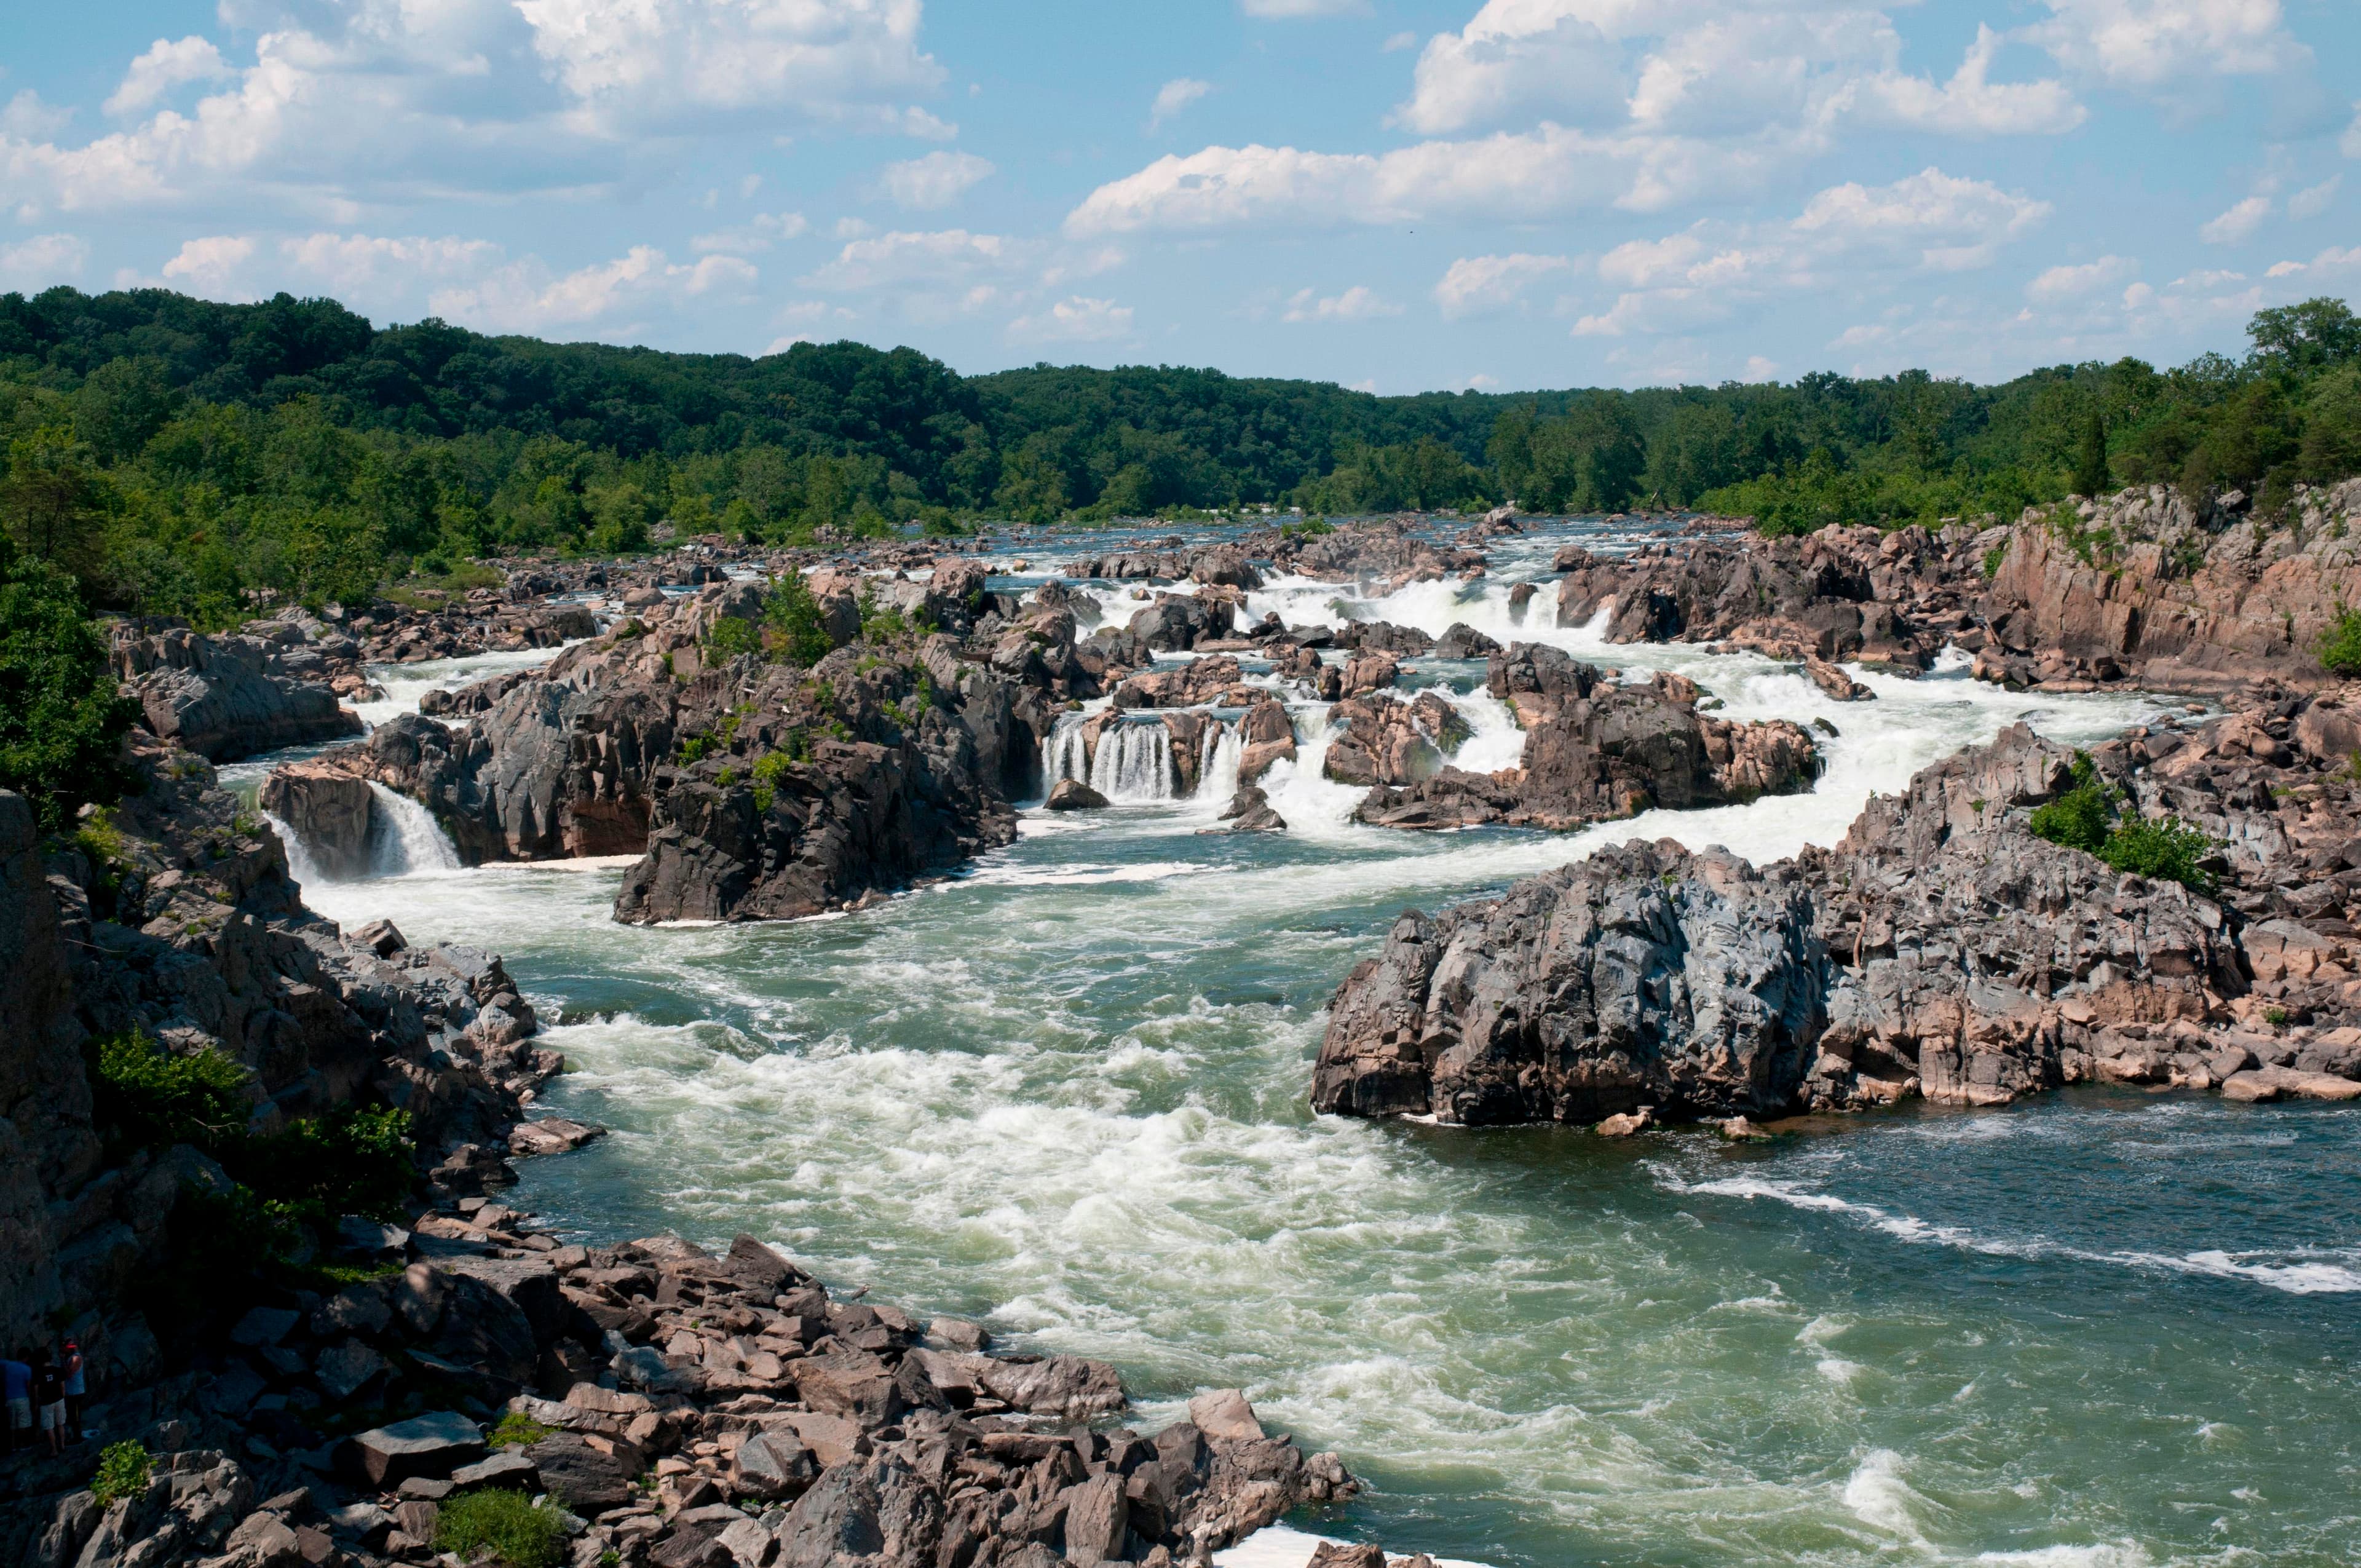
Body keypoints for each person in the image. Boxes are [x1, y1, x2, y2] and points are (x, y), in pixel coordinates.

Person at [30, 1350, 65, 1457]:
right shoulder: (58, 1370)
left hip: (46, 1402)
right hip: (59, 1399)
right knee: (60, 1424)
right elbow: (63, 1386)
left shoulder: (37, 1373)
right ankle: (63, 1445)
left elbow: (36, 1392)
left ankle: (54, 1450)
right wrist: (63, 1397)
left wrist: (36, 1404)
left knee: (49, 1427)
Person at [0, 1353, 28, 1454]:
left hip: (10, 1399)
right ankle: (22, 1445)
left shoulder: (7, 1365)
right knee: (23, 1424)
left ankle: (13, 1446)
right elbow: (28, 1385)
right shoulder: (26, 1368)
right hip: (23, 1398)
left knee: (12, 1425)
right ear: (26, 1358)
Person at [59, 1338, 85, 1443]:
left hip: (76, 1392)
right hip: (71, 1391)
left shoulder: (76, 1358)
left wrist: (63, 1360)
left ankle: (78, 1437)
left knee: (76, 1416)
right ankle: (75, 1436)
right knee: (72, 1415)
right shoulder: (71, 1357)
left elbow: (69, 1374)